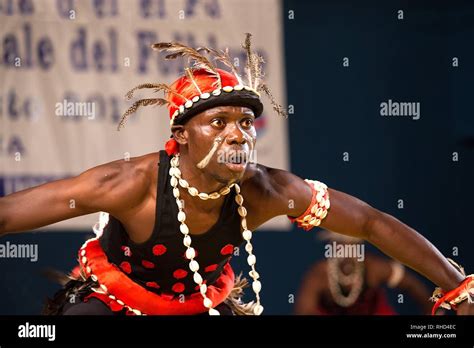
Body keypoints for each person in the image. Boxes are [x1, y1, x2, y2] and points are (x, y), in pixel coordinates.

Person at [0, 34, 472, 315]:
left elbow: (369, 223)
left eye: (246, 123)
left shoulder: (267, 190)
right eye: (218, 123)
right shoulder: (129, 184)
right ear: (182, 135)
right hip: (110, 303)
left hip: (200, 305)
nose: (238, 136)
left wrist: (457, 285)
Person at [294, 231, 433, 315]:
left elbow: (411, 285)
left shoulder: (374, 268)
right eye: (341, 244)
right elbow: (303, 311)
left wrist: (433, 312)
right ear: (333, 247)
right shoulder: (319, 275)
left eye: (352, 244)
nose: (347, 251)